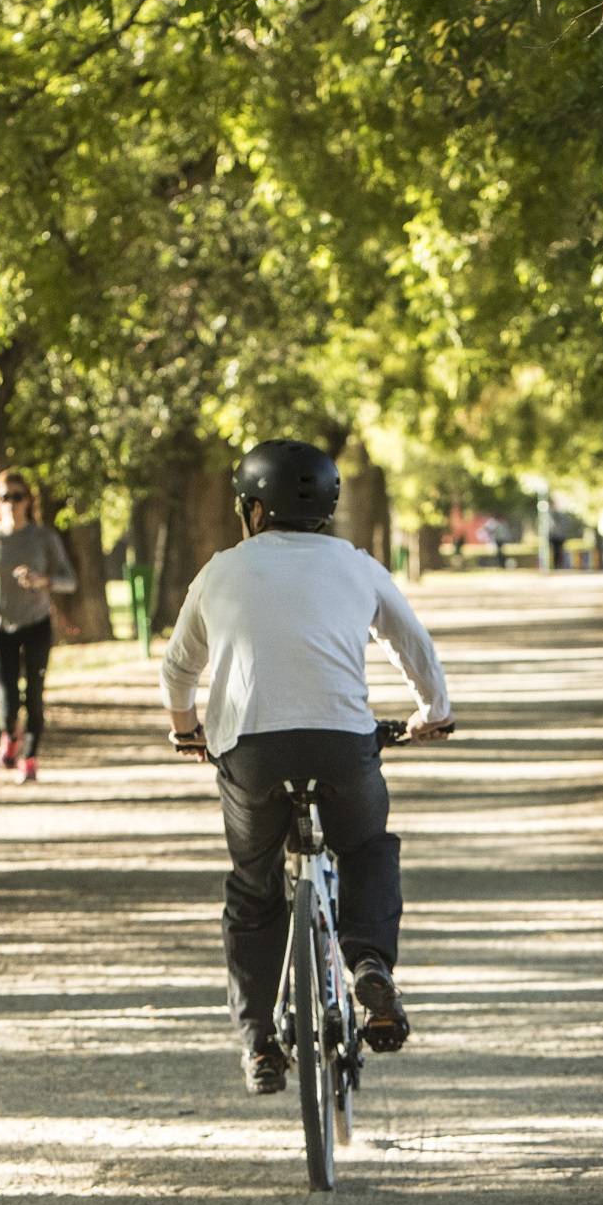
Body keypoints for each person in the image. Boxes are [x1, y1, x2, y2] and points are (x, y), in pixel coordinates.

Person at [161, 439, 455, 1095]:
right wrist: (432, 711)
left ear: (254, 508)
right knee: (369, 848)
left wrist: (187, 732)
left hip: (251, 752)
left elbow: (178, 668)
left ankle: (260, 1043)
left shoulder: (220, 570)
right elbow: (413, 644)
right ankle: (370, 961)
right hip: (343, 745)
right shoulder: (357, 565)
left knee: (253, 887)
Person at [0, 469, 78, 783]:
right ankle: (9, 734)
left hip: (36, 623)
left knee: (33, 693)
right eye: (5, 497)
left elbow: (69, 581)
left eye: (18, 497)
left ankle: (30, 757)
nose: (11, 503)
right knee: (6, 694)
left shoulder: (44, 538)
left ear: (28, 501)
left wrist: (43, 580)